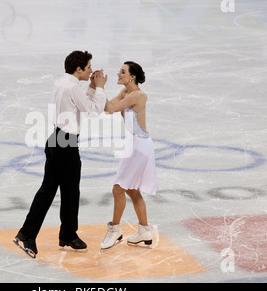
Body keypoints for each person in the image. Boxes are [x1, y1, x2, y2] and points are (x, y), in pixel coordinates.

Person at [14, 50, 108, 258]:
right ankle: (48, 234)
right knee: (69, 190)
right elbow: (92, 111)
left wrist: (91, 86)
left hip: (56, 138)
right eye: (89, 67)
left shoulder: (63, 82)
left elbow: (80, 102)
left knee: (51, 189)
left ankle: (58, 234)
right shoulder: (73, 87)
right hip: (66, 143)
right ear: (78, 68)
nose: (91, 70)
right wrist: (99, 87)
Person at [100, 61, 159, 250]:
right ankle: (144, 231)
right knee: (132, 191)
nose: (119, 74)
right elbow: (107, 106)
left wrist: (100, 87)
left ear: (132, 76)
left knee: (118, 189)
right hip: (133, 145)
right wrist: (95, 90)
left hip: (139, 147)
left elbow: (109, 108)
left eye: (123, 72)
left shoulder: (138, 96)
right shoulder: (125, 92)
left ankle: (115, 229)